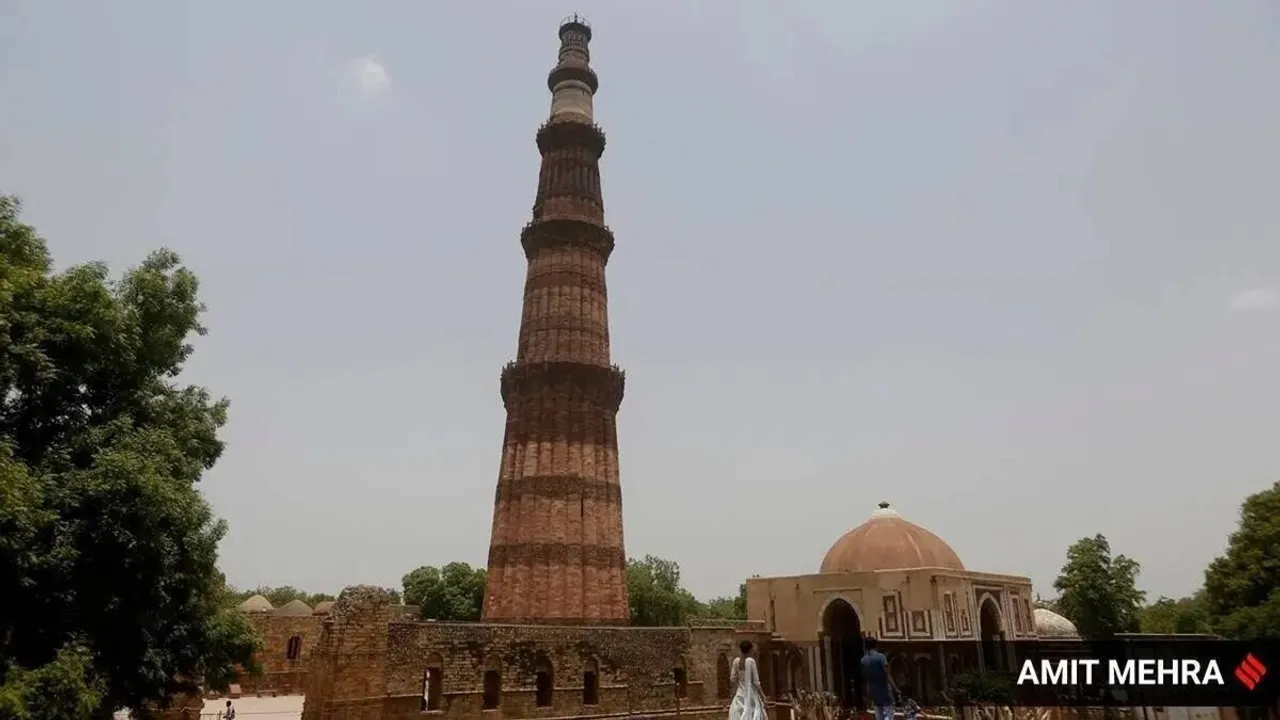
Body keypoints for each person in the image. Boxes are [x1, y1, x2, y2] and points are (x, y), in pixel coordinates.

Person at [728, 640, 767, 720]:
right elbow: (756, 682)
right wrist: (763, 695)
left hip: (740, 692)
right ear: (750, 650)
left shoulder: (736, 661)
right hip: (751, 694)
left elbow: (732, 679)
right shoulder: (751, 661)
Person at [860, 637, 896, 720]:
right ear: (876, 645)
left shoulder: (863, 660)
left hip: (873, 691)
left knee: (879, 715)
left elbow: (864, 678)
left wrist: (866, 693)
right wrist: (896, 688)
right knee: (889, 715)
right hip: (884, 690)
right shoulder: (881, 657)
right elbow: (887, 674)